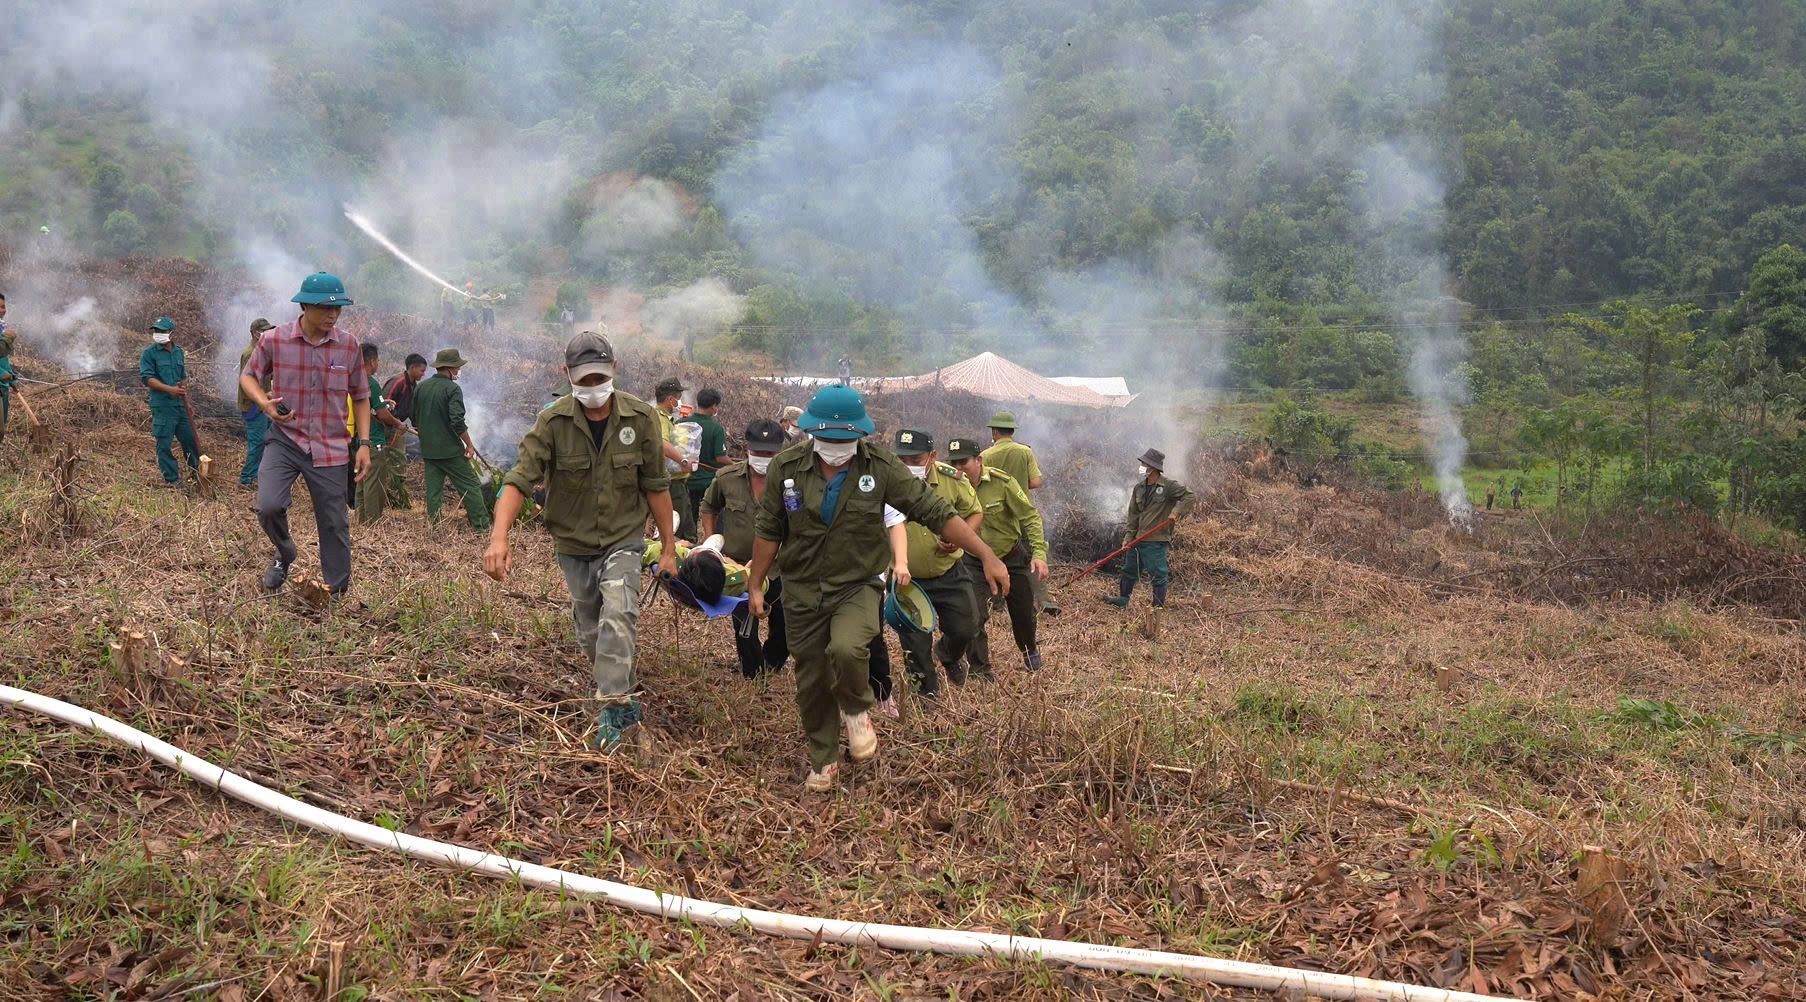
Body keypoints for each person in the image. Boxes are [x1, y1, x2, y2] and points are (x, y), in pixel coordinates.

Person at [747, 386, 1009, 792]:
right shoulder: (786, 467)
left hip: (857, 585)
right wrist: (756, 585)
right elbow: (769, 530)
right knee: (812, 677)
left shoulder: (882, 468)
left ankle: (856, 710)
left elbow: (936, 512)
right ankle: (824, 760)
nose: (836, 447)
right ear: (812, 432)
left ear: (860, 435)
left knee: (849, 649)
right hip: (802, 588)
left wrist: (987, 554)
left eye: (845, 439)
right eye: (828, 438)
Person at [483, 331, 678, 750]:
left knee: (619, 614)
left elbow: (656, 486)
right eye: (584, 379)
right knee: (592, 633)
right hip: (573, 543)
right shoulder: (552, 422)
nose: (593, 387)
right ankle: (623, 691)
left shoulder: (641, 418)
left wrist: (667, 548)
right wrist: (499, 538)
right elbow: (518, 480)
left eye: (600, 378)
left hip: (623, 537)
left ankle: (614, 709)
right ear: (567, 374)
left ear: (614, 370)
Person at [239, 272, 370, 595]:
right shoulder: (275, 340)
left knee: (334, 522)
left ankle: (335, 592)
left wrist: (364, 444)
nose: (333, 315)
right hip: (285, 439)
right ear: (305, 307)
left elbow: (361, 396)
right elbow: (248, 377)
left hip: (330, 446)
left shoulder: (349, 345)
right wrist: (265, 404)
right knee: (268, 505)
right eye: (326, 308)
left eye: (338, 309)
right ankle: (285, 553)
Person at [891, 430, 985, 693]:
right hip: (907, 579)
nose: (908, 466)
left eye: (915, 460)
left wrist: (958, 539)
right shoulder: (886, 480)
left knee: (967, 627)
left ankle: (947, 654)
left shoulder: (951, 479)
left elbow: (975, 512)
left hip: (948, 572)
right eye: (902, 460)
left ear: (932, 456)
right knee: (915, 643)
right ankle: (926, 694)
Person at [947, 436, 1048, 672]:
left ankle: (1029, 649)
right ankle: (979, 668)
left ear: (979, 460)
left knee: (1023, 612)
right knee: (974, 615)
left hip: (1010, 555)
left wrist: (1039, 553)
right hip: (973, 560)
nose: (959, 468)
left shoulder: (1002, 482)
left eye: (964, 462)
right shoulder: (949, 485)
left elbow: (1030, 516)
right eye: (954, 463)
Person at [701, 419, 789, 678]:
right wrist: (712, 544)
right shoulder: (727, 478)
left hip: (779, 566)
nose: (763, 458)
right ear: (747, 448)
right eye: (758, 452)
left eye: (769, 454)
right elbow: (709, 507)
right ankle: (753, 671)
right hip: (738, 567)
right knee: (745, 626)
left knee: (785, 624)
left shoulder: (791, 482)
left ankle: (773, 662)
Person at [981, 410, 1054, 616]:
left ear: (994, 432)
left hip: (996, 515)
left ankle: (996, 601)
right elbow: (1036, 482)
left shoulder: (985, 456)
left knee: (997, 554)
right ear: (1012, 431)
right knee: (1031, 555)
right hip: (1021, 511)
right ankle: (1043, 599)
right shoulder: (1025, 451)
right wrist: (1018, 485)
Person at [1104, 448, 1196, 609]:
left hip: (1156, 540)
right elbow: (1133, 515)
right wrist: (1128, 538)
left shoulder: (1168, 486)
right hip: (1137, 539)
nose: (1141, 467)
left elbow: (1189, 496)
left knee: (1158, 574)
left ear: (1152, 467)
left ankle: (1157, 607)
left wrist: (1176, 512)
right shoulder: (1139, 488)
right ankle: (1123, 599)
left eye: (1144, 464)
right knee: (1129, 569)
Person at [412, 348, 491, 531]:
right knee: (471, 486)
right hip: (450, 451)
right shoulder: (453, 389)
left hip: (429, 450)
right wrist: (469, 444)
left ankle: (435, 528)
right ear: (448, 368)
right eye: (457, 367)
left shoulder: (421, 387)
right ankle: (481, 527)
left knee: (433, 491)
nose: (458, 371)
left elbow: (414, 418)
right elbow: (457, 421)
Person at [139, 316, 200, 488]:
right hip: (163, 405)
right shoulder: (149, 354)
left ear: (172, 333)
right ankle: (172, 479)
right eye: (156, 331)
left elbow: (182, 377)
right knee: (164, 443)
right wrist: (169, 389)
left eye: (162, 331)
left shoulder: (178, 352)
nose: (158, 333)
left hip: (180, 406)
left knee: (190, 440)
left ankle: (197, 473)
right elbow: (147, 379)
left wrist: (187, 402)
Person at [355, 343, 407, 525]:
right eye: (377, 360)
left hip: (358, 440)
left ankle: (361, 519)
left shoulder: (354, 380)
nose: (378, 363)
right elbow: (382, 414)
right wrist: (398, 423)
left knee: (361, 482)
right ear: (371, 361)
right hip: (373, 440)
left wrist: (383, 402)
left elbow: (371, 407)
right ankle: (372, 522)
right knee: (373, 482)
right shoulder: (371, 383)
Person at [381, 353, 428, 509]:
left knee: (398, 462)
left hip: (397, 428)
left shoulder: (414, 386)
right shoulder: (398, 382)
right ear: (412, 368)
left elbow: (412, 410)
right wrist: (395, 422)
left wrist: (419, 428)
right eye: (422, 370)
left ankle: (395, 498)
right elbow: (382, 407)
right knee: (388, 461)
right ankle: (387, 498)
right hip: (386, 428)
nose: (423, 374)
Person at [235, 318, 276, 487]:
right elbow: (247, 382)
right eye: (264, 331)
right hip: (253, 405)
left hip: (263, 404)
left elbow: (267, 376)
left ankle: (258, 475)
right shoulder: (250, 353)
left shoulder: (263, 352)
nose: (268, 334)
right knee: (257, 442)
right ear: (254, 333)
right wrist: (265, 395)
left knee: (265, 440)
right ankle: (247, 478)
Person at [652, 376, 694, 537]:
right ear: (671, 399)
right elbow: (662, 443)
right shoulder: (660, 418)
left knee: (687, 528)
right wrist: (683, 461)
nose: (680, 402)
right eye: (679, 398)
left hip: (676, 482)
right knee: (678, 530)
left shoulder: (666, 419)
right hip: (671, 484)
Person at [686, 387, 728, 535]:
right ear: (714, 406)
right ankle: (712, 539)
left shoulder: (682, 422)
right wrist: (737, 466)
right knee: (713, 514)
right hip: (708, 482)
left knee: (689, 518)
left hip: (687, 479)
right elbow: (720, 457)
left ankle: (689, 541)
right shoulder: (716, 428)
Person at [0, 293, 13, 448]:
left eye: (3, 306)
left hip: (3, 387)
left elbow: (3, 359)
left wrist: (12, 377)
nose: (2, 310)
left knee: (1, 429)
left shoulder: (2, 328)